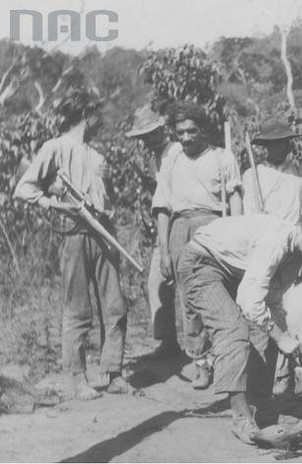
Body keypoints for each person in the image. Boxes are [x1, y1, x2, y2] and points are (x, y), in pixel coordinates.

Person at [177, 211, 302, 444]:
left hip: (230, 270)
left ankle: (260, 409)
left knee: (265, 332)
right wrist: (281, 337)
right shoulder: (274, 242)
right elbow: (250, 301)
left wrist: (282, 336)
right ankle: (241, 419)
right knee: (233, 330)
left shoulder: (296, 256)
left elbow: (271, 302)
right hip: (200, 262)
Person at [14, 89, 130, 399]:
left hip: (103, 232)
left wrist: (110, 186)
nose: (100, 122)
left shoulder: (96, 154)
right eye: (97, 116)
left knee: (115, 305)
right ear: (86, 115)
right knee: (78, 309)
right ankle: (77, 378)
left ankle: (113, 372)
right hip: (74, 234)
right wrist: (57, 204)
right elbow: (24, 188)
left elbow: (108, 199)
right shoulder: (55, 147)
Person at [152, 101, 242, 388]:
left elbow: (235, 199)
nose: (186, 138)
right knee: (188, 299)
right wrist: (165, 251)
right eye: (181, 132)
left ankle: (225, 360)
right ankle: (200, 362)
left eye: (192, 131)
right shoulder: (173, 159)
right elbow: (162, 207)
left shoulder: (222, 157)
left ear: (203, 130)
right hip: (180, 227)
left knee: (220, 295)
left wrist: (235, 236)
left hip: (212, 225)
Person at [242, 120, 302, 395]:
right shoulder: (253, 176)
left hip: (294, 259)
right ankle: (269, 388)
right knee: (268, 325)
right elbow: (250, 220)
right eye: (274, 143)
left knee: (299, 322)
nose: (280, 147)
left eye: (284, 141)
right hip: (266, 258)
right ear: (265, 147)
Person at [125, 104, 181, 359]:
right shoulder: (152, 159)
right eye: (143, 136)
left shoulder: (178, 151)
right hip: (164, 225)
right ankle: (168, 342)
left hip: (183, 222)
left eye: (150, 134)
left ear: (161, 129)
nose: (147, 141)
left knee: (192, 287)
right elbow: (159, 195)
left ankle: (206, 350)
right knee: (156, 282)